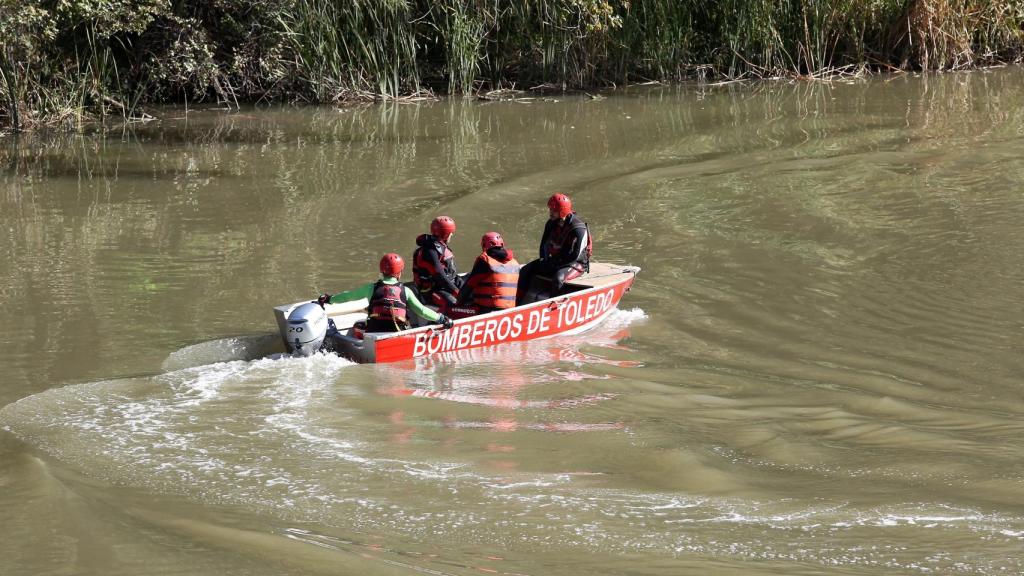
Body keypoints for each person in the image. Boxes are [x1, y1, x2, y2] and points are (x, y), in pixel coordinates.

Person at [318, 253, 453, 333]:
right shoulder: (406, 291)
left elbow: (348, 296)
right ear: (399, 273)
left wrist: (329, 299)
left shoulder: (371, 288)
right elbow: (422, 311)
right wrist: (442, 319)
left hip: (374, 332)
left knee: (357, 325)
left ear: (382, 270)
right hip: (397, 333)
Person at [516, 193, 591, 304]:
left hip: (576, 263)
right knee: (525, 270)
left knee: (558, 278)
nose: (550, 213)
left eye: (553, 210)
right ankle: (517, 302)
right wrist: (545, 260)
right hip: (556, 260)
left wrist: (556, 266)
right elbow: (543, 246)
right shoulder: (551, 224)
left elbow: (575, 255)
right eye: (550, 209)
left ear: (562, 211)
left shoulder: (579, 229)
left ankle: (552, 307)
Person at [454, 232, 521, 315]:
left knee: (451, 309)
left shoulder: (485, 260)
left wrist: (458, 303)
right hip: (510, 309)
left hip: (488, 309)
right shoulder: (514, 262)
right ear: (502, 244)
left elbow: (469, 285)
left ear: (484, 245)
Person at [412, 215, 462, 310]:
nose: (452, 235)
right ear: (445, 234)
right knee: (455, 306)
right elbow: (439, 275)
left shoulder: (440, 247)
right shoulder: (430, 251)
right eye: (451, 233)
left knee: (471, 296)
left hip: (446, 286)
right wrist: (456, 292)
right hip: (431, 291)